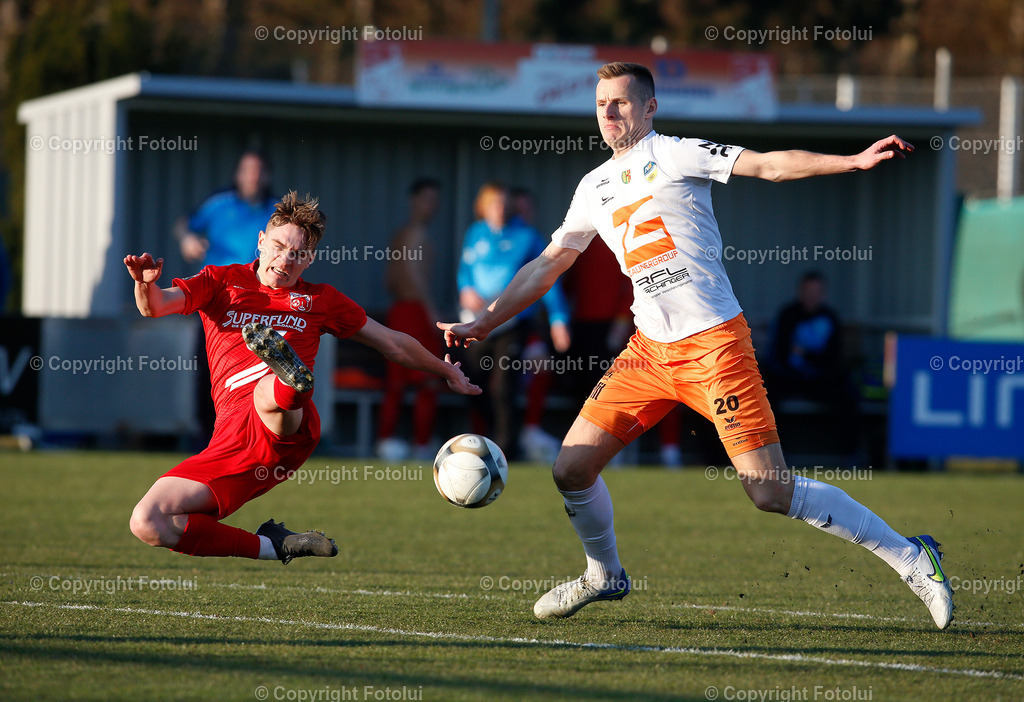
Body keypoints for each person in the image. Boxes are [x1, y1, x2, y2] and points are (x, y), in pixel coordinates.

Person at [439, 62, 954, 629]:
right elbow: (547, 265)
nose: (609, 114)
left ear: (650, 107)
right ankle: (603, 574)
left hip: (715, 348)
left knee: (769, 493)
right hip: (648, 353)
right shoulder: (592, 187)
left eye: (622, 103)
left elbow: (769, 166)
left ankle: (912, 556)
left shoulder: (678, 153)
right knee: (570, 468)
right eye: (601, 104)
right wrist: (485, 321)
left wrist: (852, 160)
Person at [126, 191, 479, 565]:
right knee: (149, 522)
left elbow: (392, 342)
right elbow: (155, 306)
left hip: (285, 426)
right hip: (230, 442)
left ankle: (291, 378)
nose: (284, 260)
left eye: (297, 254)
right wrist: (143, 283)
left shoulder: (321, 300)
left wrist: (446, 371)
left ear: (309, 259)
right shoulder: (221, 281)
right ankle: (275, 545)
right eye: (278, 247)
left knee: (268, 390)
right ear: (261, 241)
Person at [457, 182, 571, 457]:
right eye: (494, 203)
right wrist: (465, 290)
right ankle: (480, 444)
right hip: (475, 322)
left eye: (503, 203)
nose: (500, 208)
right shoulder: (476, 233)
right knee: (472, 383)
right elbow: (465, 270)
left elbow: (547, 279)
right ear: (483, 206)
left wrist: (559, 319)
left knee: (503, 387)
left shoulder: (527, 236)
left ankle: (506, 449)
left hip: (511, 323)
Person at [175, 150, 279, 444]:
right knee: (208, 368)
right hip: (215, 300)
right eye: (247, 170)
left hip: (259, 303)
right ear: (238, 175)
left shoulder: (276, 211)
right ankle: (206, 436)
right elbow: (184, 224)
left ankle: (251, 436)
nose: (253, 176)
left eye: (258, 170)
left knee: (258, 369)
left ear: (267, 176)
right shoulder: (219, 205)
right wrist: (188, 238)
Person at [377, 178, 444, 461]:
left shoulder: (399, 235)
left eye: (435, 200)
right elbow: (413, 277)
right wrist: (431, 313)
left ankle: (385, 440)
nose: (432, 206)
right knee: (428, 378)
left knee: (397, 381)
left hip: (398, 311)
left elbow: (390, 280)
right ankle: (421, 443)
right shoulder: (416, 234)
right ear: (414, 200)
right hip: (414, 313)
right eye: (427, 199)